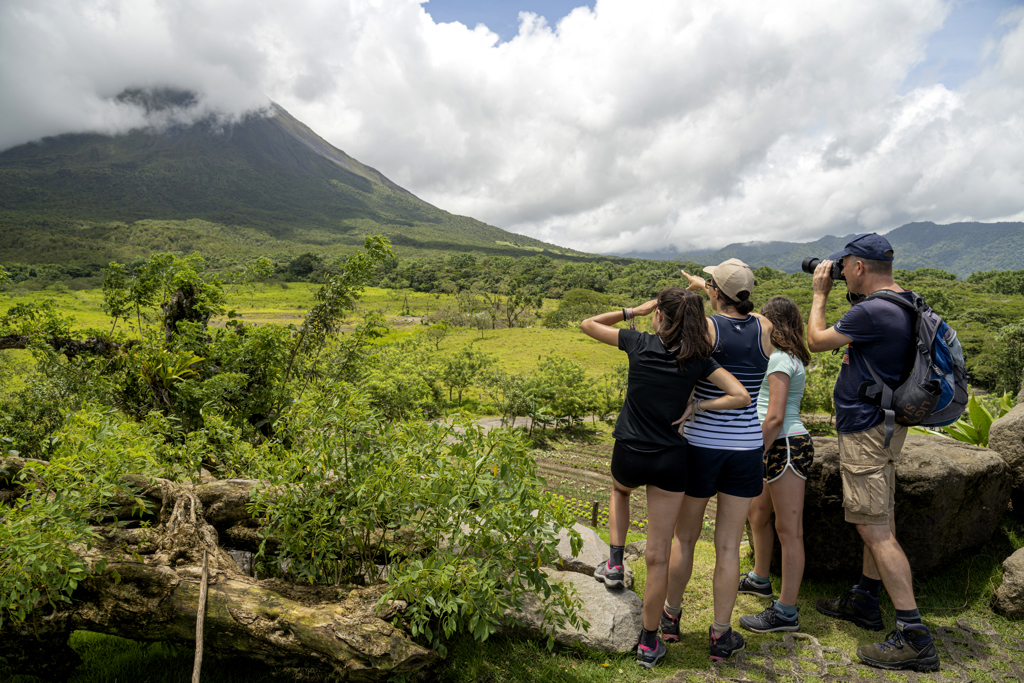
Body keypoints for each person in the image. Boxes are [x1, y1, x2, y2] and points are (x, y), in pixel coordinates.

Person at [581, 287, 750, 669]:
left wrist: (631, 311)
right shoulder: (698, 360)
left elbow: (587, 324)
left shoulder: (637, 342)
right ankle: (649, 643)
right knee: (658, 557)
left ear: (659, 316)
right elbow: (740, 395)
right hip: (671, 460)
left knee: (619, 491)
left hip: (630, 451)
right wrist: (697, 404)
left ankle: (614, 563)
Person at [807, 233, 939, 673]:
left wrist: (820, 295)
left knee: (876, 530)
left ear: (859, 266)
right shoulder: (906, 301)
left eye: (843, 265)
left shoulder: (872, 310)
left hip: (866, 429)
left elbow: (816, 340)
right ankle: (864, 597)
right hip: (885, 424)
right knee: (879, 518)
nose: (839, 271)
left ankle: (913, 635)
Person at [662, 259, 773, 662]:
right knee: (727, 546)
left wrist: (698, 290)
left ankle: (670, 618)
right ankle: (720, 636)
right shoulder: (767, 327)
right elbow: (743, 312)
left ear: (714, 292)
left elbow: (688, 329)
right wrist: (709, 286)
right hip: (745, 447)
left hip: (701, 445)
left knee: (685, 538)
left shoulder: (706, 328)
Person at [736, 296, 813, 633]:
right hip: (776, 445)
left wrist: (756, 451)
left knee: (788, 530)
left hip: (783, 445)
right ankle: (760, 578)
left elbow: (775, 416)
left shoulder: (781, 359)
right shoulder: (784, 356)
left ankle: (786, 611)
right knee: (758, 514)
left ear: (773, 324)